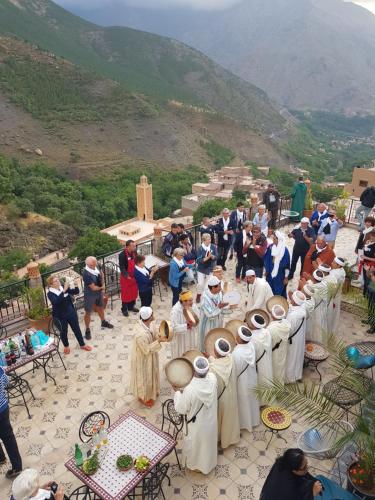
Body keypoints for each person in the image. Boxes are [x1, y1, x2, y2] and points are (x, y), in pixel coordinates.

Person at [173, 357, 218, 475]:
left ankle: (196, 466)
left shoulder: (190, 389)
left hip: (196, 425)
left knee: (196, 445)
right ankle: (207, 464)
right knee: (207, 444)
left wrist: (177, 393)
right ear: (207, 370)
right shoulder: (213, 379)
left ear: (194, 370)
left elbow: (181, 409)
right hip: (210, 420)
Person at [260, 448, 356, 500]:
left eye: (307, 463)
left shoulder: (283, 462)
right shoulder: (288, 488)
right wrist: (312, 494)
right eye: (304, 467)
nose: (308, 468)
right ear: (295, 470)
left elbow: (304, 475)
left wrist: (313, 482)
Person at [130, 306, 166, 407]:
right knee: (144, 377)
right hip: (143, 358)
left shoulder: (151, 323)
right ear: (149, 317)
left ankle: (153, 391)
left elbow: (154, 333)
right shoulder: (140, 334)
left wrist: (159, 335)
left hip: (151, 355)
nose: (153, 315)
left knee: (152, 373)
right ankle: (144, 397)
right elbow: (146, 350)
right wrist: (159, 341)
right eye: (152, 314)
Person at [47, 276, 92, 355]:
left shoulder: (62, 288)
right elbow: (56, 302)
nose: (58, 281)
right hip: (60, 316)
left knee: (77, 329)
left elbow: (76, 292)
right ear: (51, 285)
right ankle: (66, 346)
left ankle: (82, 344)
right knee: (64, 331)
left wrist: (75, 284)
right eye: (55, 281)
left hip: (71, 312)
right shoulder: (50, 293)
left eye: (58, 280)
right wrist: (64, 290)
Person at [208, 338, 240, 449]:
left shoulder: (212, 369)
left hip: (221, 398)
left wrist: (209, 358)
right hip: (231, 394)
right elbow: (219, 363)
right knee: (229, 419)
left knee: (219, 418)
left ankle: (219, 439)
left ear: (216, 351)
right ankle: (229, 439)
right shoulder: (231, 358)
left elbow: (215, 365)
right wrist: (211, 358)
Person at [232, 325, 260, 430]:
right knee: (252, 399)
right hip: (252, 378)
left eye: (237, 335)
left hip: (242, 382)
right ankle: (254, 420)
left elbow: (235, 371)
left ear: (239, 338)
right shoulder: (251, 346)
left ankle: (245, 424)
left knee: (244, 402)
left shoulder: (236, 353)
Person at [82, 256, 113, 340]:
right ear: (88, 265)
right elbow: (93, 287)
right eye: (93, 264)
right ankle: (87, 330)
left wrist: (102, 284)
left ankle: (103, 322)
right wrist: (102, 288)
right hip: (90, 294)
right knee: (88, 312)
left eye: (95, 263)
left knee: (100, 307)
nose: (95, 265)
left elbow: (101, 275)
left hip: (98, 292)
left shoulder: (97, 265)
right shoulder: (85, 273)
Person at [0, 366, 22, 479]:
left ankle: (1, 458)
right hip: (2, 408)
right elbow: (6, 382)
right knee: (8, 438)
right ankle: (17, 467)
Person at [198, 276, 230, 351]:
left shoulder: (219, 293)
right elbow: (210, 314)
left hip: (216, 321)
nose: (220, 288)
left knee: (216, 337)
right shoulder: (204, 299)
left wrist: (228, 307)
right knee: (207, 338)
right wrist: (219, 307)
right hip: (207, 323)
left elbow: (221, 304)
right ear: (212, 288)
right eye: (218, 287)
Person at [248, 313, 273, 402]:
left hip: (258, 364)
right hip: (266, 360)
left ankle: (261, 402)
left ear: (254, 324)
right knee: (267, 377)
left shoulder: (252, 338)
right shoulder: (267, 332)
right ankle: (268, 398)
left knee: (259, 380)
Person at [170, 290, 200, 358]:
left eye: (192, 300)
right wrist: (186, 326)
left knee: (190, 355)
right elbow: (173, 327)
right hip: (180, 339)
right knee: (181, 357)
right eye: (190, 300)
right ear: (184, 301)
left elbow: (198, 317)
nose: (192, 302)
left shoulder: (193, 306)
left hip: (190, 336)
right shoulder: (175, 311)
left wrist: (195, 323)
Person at [285, 291, 307, 383]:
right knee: (297, 356)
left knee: (291, 358)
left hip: (292, 340)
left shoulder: (293, 316)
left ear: (294, 301)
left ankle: (289, 378)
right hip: (300, 338)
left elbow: (289, 331)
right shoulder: (302, 310)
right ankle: (297, 374)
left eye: (292, 298)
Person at [268, 305, 291, 384]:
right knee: (281, 368)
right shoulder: (287, 324)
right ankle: (280, 386)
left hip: (274, 353)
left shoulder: (271, 328)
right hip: (283, 349)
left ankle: (275, 388)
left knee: (274, 369)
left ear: (273, 316)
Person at [264, 231, 290, 297]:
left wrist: (286, 278)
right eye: (273, 238)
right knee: (269, 290)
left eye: (275, 239)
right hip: (270, 274)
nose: (273, 240)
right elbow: (266, 259)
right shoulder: (270, 247)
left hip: (280, 276)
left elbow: (287, 266)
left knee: (278, 292)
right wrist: (267, 270)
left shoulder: (285, 251)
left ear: (279, 240)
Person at [195, 233, 218, 303]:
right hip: (201, 268)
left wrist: (212, 257)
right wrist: (207, 257)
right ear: (203, 241)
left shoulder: (213, 247)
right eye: (208, 240)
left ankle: (206, 299)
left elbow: (216, 256)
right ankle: (199, 294)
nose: (210, 241)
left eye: (210, 239)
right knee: (200, 284)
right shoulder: (200, 248)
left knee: (207, 285)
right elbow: (198, 261)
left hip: (210, 268)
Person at [119, 240, 139, 317]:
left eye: (135, 246)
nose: (135, 247)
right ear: (128, 247)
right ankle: (124, 309)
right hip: (126, 278)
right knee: (125, 294)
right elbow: (122, 267)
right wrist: (127, 276)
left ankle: (131, 307)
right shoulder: (122, 255)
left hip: (134, 276)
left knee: (133, 292)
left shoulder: (134, 252)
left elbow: (137, 262)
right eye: (133, 246)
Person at [327, 257, 346, 335]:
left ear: (338, 265)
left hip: (332, 297)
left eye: (334, 262)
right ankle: (332, 332)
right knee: (334, 315)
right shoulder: (342, 271)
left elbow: (330, 287)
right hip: (337, 296)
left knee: (329, 315)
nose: (331, 263)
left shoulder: (334, 274)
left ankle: (327, 332)